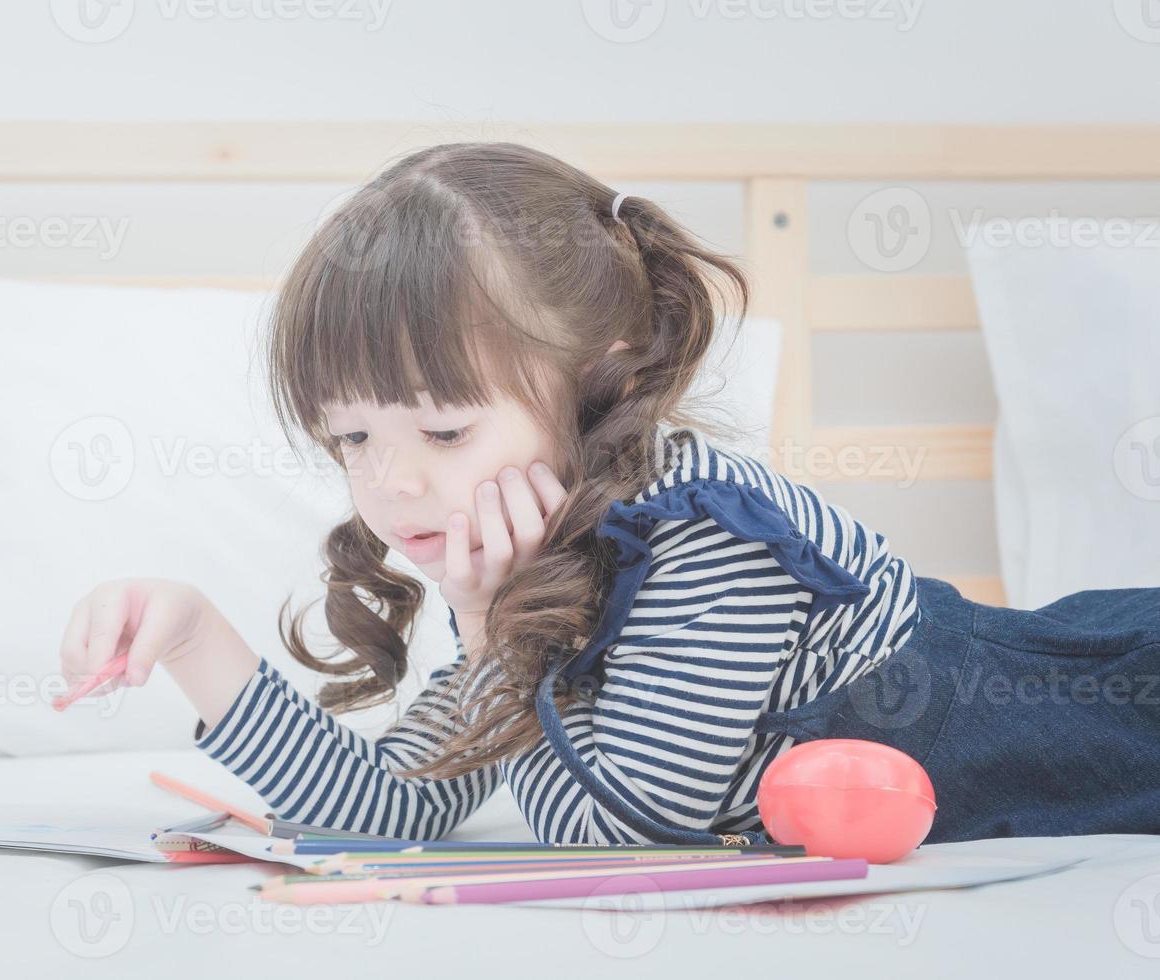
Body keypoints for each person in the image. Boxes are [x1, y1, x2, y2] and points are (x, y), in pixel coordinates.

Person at [58, 141, 1160, 846]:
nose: (392, 482)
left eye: (442, 426)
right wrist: (196, 640)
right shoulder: (536, 561)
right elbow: (390, 808)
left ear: (596, 377)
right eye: (351, 435)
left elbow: (618, 829)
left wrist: (495, 633)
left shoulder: (703, 535)